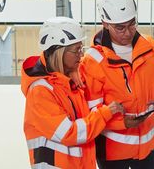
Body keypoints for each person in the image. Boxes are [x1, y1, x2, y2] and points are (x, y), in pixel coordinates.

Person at [80, 0, 154, 169]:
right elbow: (92, 110)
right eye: (120, 27)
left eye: (132, 24)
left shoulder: (149, 47)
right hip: (112, 155)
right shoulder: (92, 61)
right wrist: (121, 122)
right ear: (105, 23)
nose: (128, 32)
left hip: (148, 148)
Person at [22, 16, 125, 168]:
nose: (81, 55)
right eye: (76, 50)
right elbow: (71, 133)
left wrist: (73, 71)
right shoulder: (40, 92)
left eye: (81, 49)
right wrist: (106, 112)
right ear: (60, 52)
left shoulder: (67, 82)